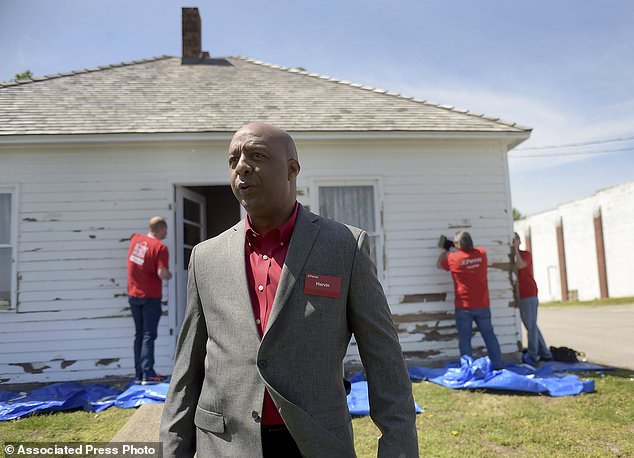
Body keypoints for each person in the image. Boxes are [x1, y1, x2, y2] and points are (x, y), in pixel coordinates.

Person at [160, 122, 418, 457]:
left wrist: (398, 447)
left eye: (257, 155)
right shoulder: (205, 257)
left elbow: (384, 360)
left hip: (315, 442)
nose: (241, 166)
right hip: (225, 444)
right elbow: (186, 370)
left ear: (292, 169)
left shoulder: (344, 246)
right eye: (233, 159)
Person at [436, 231, 504, 369]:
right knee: (489, 335)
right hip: (482, 305)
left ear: (459, 245)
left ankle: (467, 368)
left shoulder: (453, 258)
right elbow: (472, 251)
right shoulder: (482, 253)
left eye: (456, 243)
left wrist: (445, 249)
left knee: (465, 339)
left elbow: (439, 264)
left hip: (464, 306)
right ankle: (498, 364)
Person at [127, 216, 172, 384]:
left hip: (133, 295)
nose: (166, 233)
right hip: (150, 297)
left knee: (139, 334)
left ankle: (139, 375)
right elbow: (162, 273)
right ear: (160, 229)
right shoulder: (160, 247)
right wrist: (170, 274)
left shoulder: (135, 239)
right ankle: (149, 374)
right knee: (148, 335)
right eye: (165, 229)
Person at [514, 232, 552, 365]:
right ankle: (545, 354)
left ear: (519, 241)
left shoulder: (525, 254)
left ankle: (533, 355)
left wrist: (515, 250)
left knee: (530, 326)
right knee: (532, 325)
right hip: (520, 295)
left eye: (515, 239)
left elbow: (520, 265)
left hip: (528, 293)